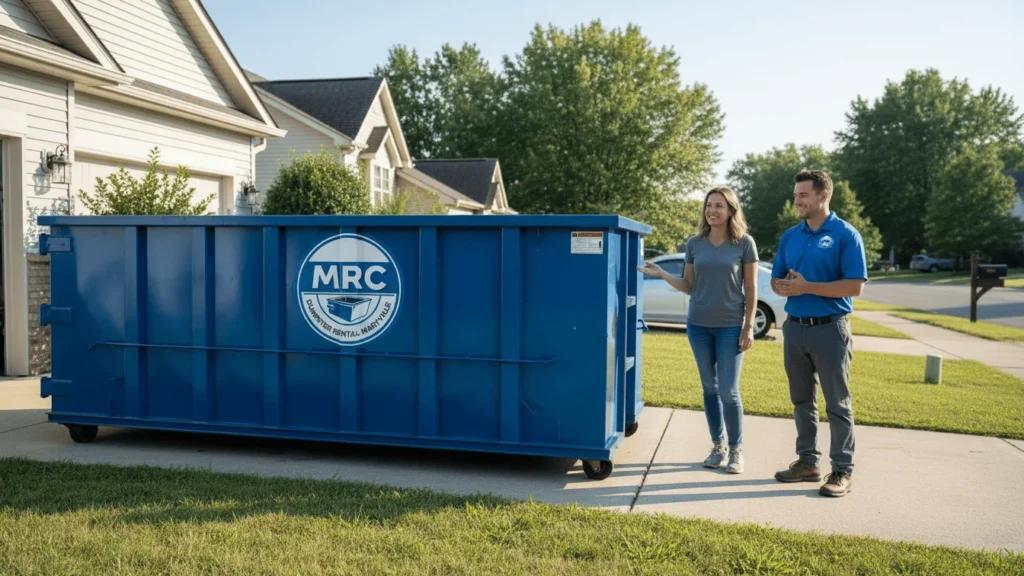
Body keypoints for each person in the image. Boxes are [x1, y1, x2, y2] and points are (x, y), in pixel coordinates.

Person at [638, 187, 758, 474]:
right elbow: (688, 286)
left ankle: (736, 450)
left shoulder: (744, 243)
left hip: (731, 326)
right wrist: (663, 274)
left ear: (731, 210)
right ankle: (718, 446)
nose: (712, 210)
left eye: (718, 205)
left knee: (728, 391)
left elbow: (751, 288)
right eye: (709, 205)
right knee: (709, 388)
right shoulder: (695, 243)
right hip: (698, 325)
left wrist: (748, 326)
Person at [770, 169, 867, 498]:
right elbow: (776, 279)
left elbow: (855, 286)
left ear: (823, 196)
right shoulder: (790, 236)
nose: (797, 200)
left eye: (803, 195)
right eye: (796, 195)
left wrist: (806, 287)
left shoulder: (845, 234)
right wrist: (782, 286)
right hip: (795, 328)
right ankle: (807, 463)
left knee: (837, 403)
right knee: (801, 401)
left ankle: (841, 470)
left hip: (830, 329)